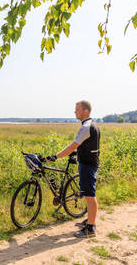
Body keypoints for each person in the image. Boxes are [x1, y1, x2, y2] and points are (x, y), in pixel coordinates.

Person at [46, 100, 100, 238]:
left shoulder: (86, 127)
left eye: (77, 109)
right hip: (89, 163)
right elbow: (87, 145)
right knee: (88, 194)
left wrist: (55, 157)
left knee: (90, 195)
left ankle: (90, 228)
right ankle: (90, 220)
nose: (75, 112)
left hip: (88, 165)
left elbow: (72, 146)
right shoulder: (93, 125)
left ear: (85, 111)